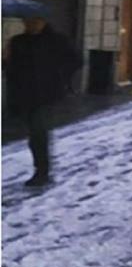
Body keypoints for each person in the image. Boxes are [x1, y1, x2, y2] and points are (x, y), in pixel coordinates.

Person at [3, 15, 82, 187]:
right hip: (23, 95)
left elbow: (76, 61)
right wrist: (5, 58)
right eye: (26, 21)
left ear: (43, 21)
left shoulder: (57, 40)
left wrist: (60, 76)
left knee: (38, 133)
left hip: (47, 94)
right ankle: (41, 169)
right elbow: (9, 69)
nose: (29, 24)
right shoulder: (17, 41)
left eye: (33, 21)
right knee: (34, 134)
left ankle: (42, 172)